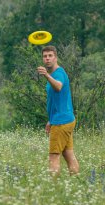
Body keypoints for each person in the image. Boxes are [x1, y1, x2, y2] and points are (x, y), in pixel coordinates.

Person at [37, 46, 79, 177]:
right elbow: (56, 100)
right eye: (45, 56)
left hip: (62, 122)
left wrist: (46, 75)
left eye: (50, 56)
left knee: (53, 157)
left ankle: (53, 189)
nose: (47, 58)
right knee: (68, 154)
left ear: (56, 57)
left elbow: (58, 87)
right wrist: (50, 120)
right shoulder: (54, 74)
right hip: (63, 120)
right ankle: (76, 182)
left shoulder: (59, 73)